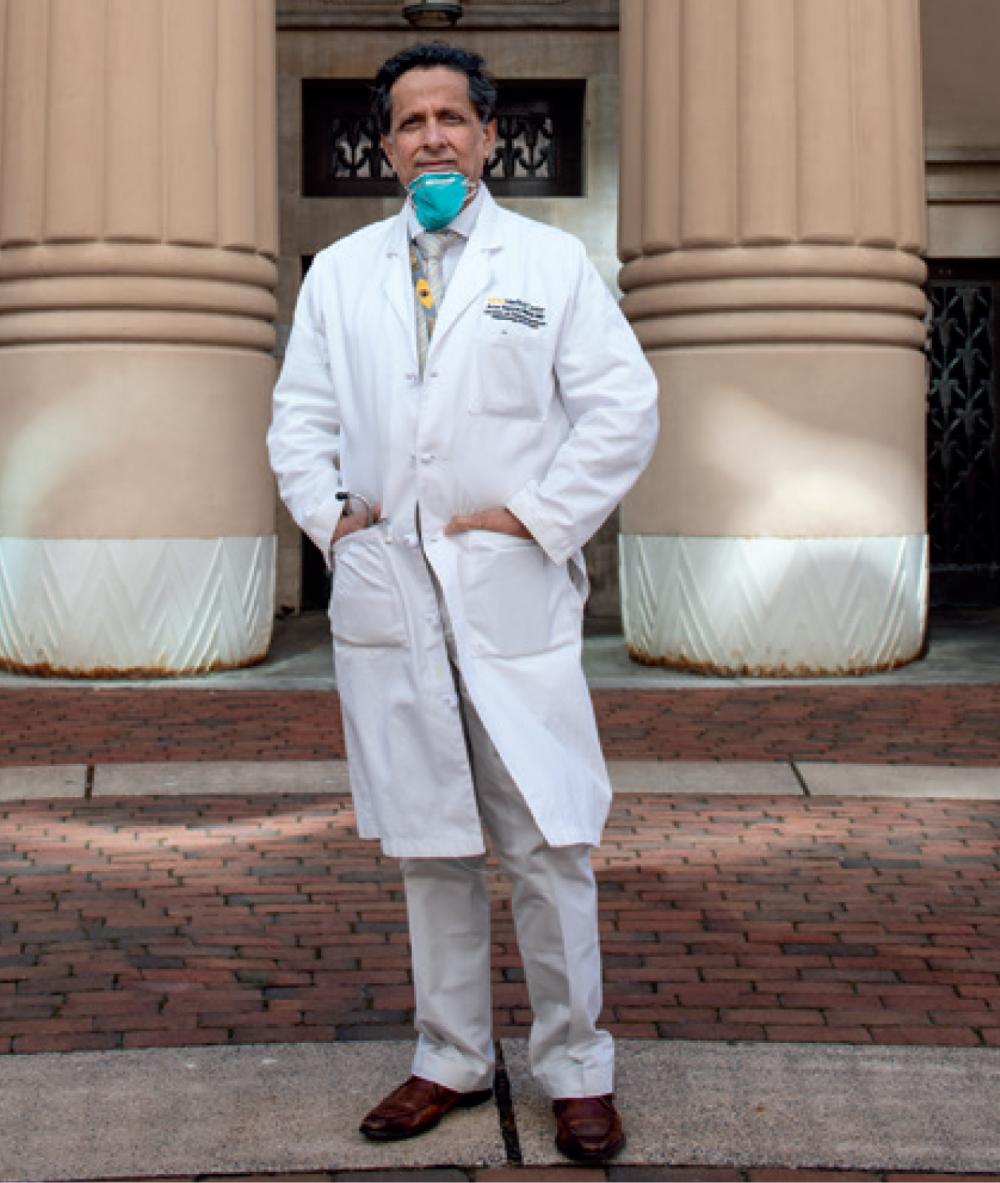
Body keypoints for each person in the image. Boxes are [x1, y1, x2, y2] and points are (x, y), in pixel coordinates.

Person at [267, 42, 658, 1164]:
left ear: (489, 137)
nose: (431, 135)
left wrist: (535, 516)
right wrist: (334, 515)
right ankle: (446, 1053)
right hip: (394, 592)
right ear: (383, 145)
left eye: (451, 117)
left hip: (508, 597)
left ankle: (576, 1065)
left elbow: (622, 410)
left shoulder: (550, 266)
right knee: (432, 845)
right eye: (409, 120)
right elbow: (299, 416)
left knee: (546, 838)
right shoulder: (338, 274)